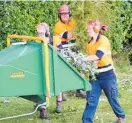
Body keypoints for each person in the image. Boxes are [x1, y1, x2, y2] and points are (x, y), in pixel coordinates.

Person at [82, 20, 126, 123]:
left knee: (112, 98)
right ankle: (86, 121)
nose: (87, 30)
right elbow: (91, 62)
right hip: (94, 76)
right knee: (91, 100)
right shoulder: (89, 44)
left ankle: (121, 117)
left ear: (96, 29)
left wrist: (82, 59)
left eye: (89, 28)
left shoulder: (103, 40)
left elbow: (98, 56)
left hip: (108, 75)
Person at [54, 4, 86, 113]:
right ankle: (59, 101)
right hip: (62, 51)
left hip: (73, 49)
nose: (65, 15)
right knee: (61, 73)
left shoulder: (73, 22)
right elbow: (68, 36)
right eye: (62, 14)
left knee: (82, 66)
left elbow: (79, 33)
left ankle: (79, 89)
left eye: (66, 13)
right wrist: (77, 32)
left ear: (69, 13)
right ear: (59, 15)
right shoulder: (58, 25)